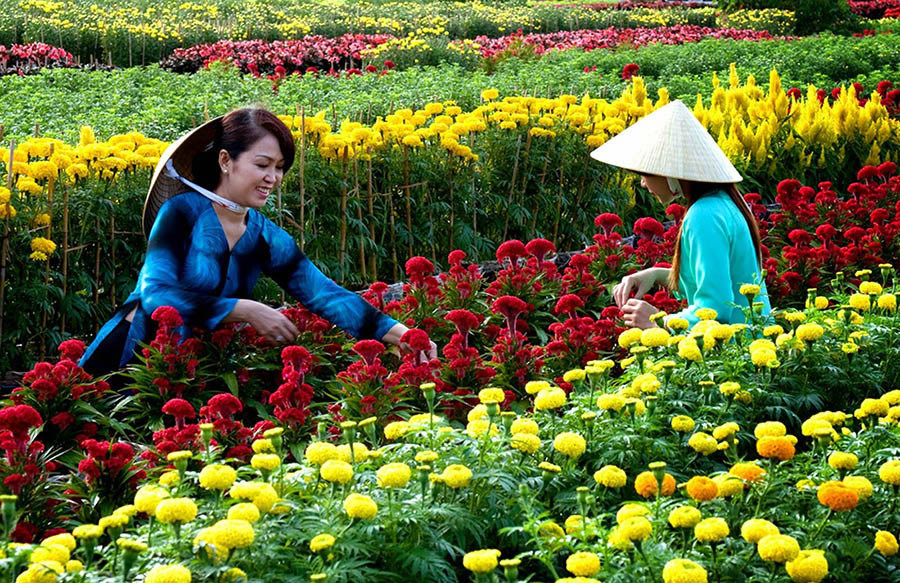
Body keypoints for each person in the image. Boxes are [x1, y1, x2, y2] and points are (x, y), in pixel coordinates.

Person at [80, 107, 435, 376]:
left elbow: (323, 293)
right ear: (225, 161)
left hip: (192, 369)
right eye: (263, 164)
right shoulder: (181, 212)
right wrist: (245, 309)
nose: (273, 178)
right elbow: (156, 294)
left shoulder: (263, 235)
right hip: (131, 360)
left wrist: (402, 335)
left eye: (280, 167)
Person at [589, 99, 771, 329]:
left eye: (645, 174)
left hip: (735, 354)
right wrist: (656, 275)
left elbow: (716, 310)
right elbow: (717, 281)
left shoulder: (703, 215)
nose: (644, 184)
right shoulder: (724, 202)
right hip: (756, 343)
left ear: (670, 172)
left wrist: (658, 320)